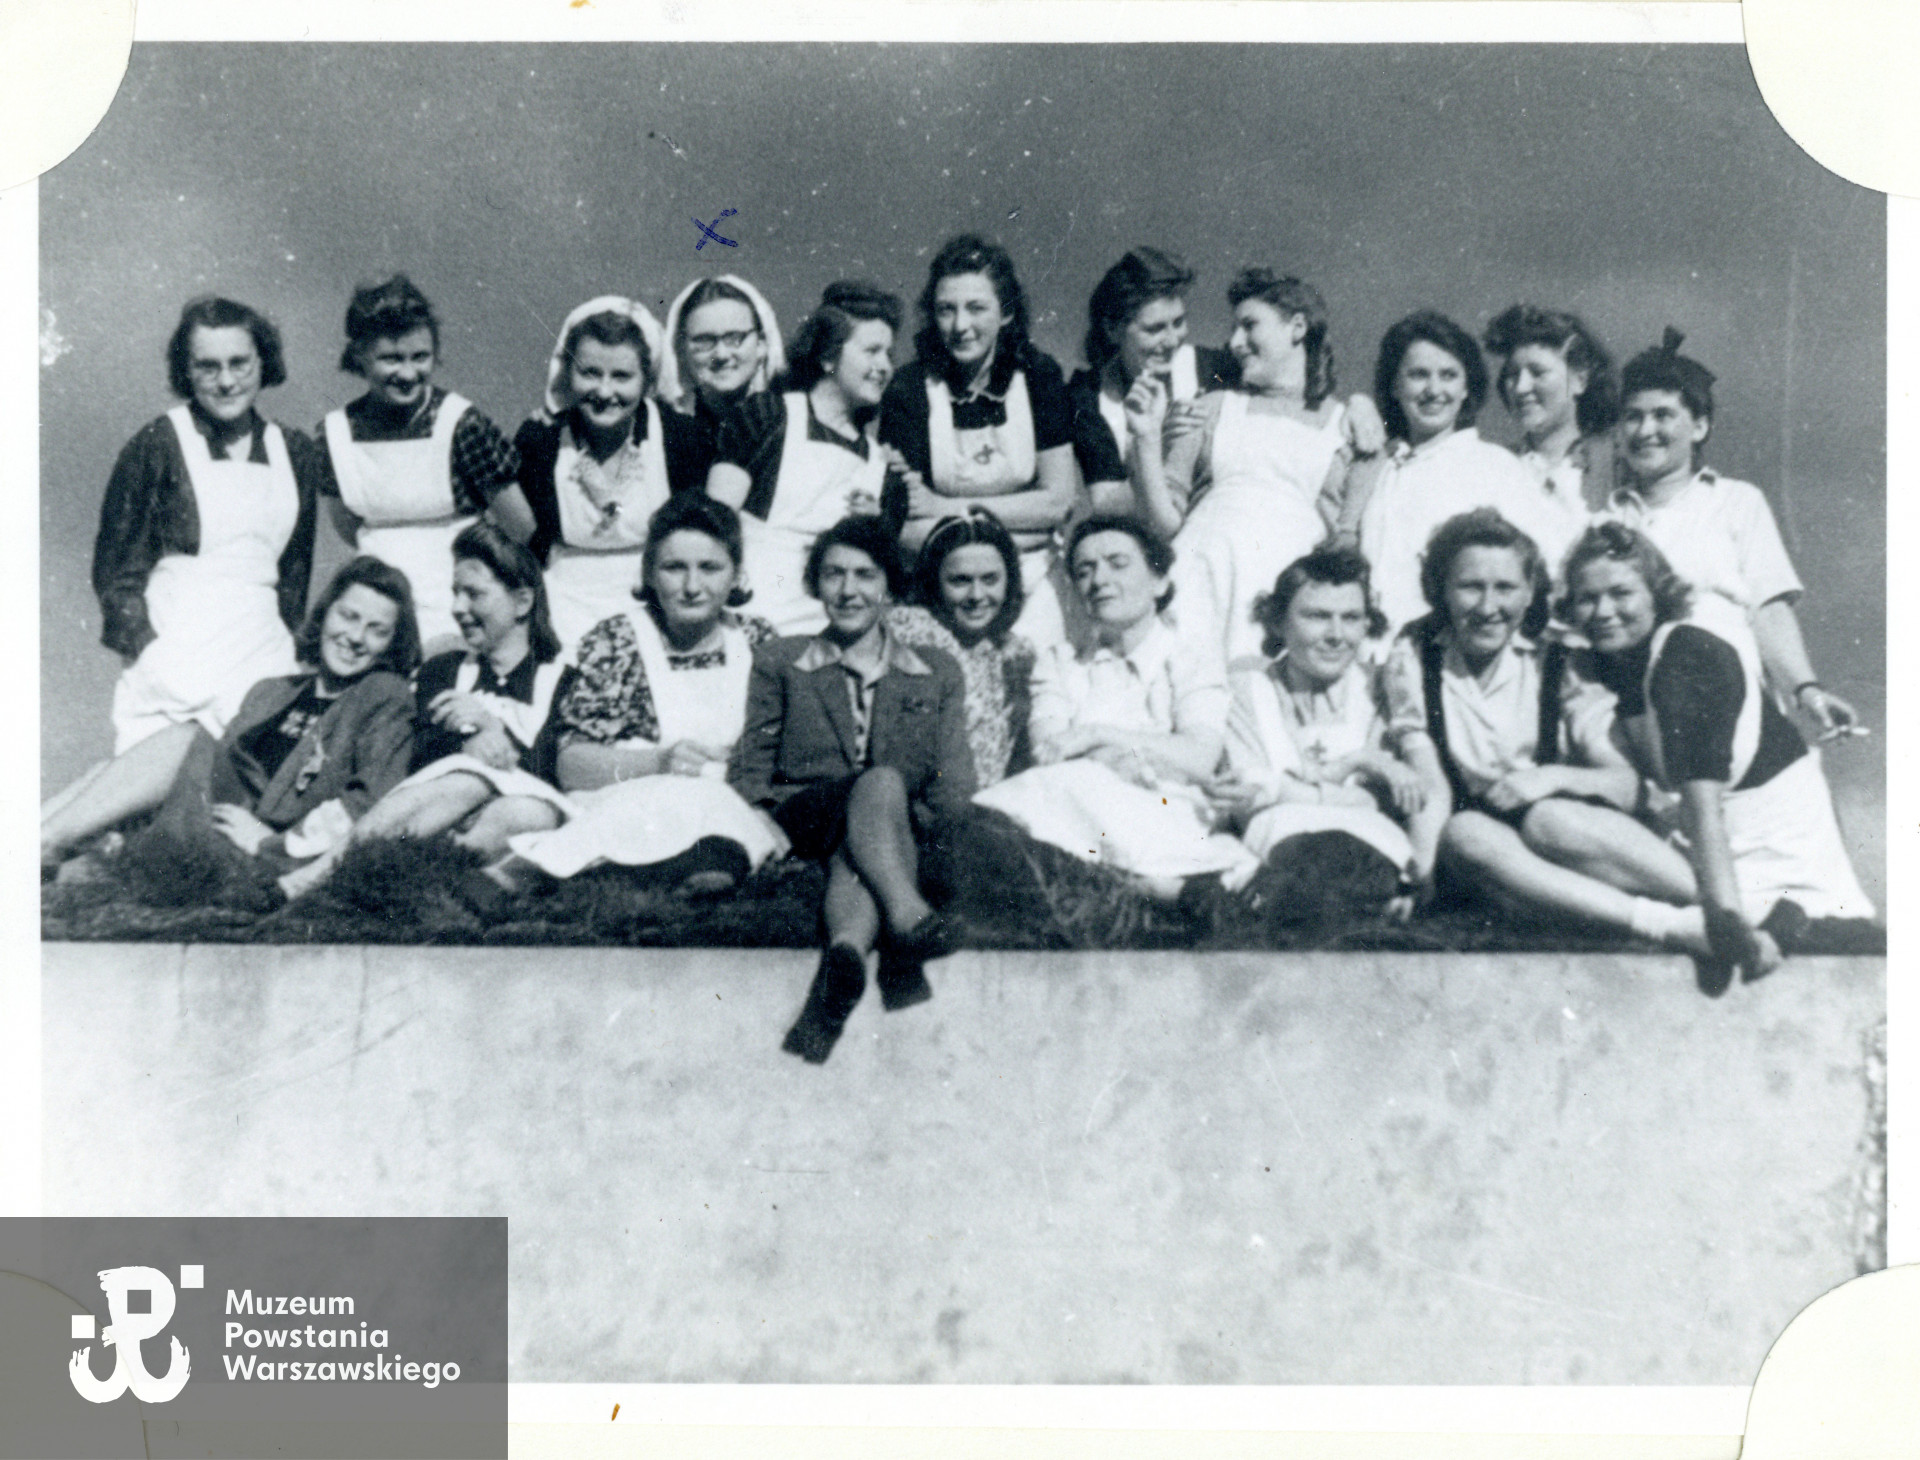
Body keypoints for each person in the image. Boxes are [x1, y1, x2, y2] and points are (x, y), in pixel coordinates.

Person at [44, 297, 326, 871]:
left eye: (239, 363)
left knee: (201, 809)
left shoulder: (294, 451)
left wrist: (289, 650)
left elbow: (294, 569)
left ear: (262, 362)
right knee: (149, 787)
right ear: (186, 370)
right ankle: (43, 840)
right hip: (180, 637)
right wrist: (150, 650)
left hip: (260, 647)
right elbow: (116, 571)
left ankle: (44, 839)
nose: (226, 382)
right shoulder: (157, 443)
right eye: (207, 367)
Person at [1382, 509, 1711, 957]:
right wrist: (1418, 870)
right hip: (1497, 865)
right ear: (1441, 588)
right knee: (1464, 832)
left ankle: (1722, 907)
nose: (1487, 607)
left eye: (1505, 588)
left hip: (1573, 849)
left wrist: (1549, 779)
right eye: (1470, 586)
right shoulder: (1414, 659)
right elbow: (1430, 781)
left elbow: (1625, 783)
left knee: (1548, 819)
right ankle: (1662, 925)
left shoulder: (1559, 662)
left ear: (1531, 591)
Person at [1563, 522, 1875, 993]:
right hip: (1726, 856)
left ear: (1657, 592)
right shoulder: (1624, 665)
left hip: (1777, 863)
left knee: (1553, 828)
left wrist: (1726, 920)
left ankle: (1753, 914)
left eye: (1620, 593)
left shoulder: (1685, 658)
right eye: (1587, 598)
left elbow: (1702, 810)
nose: (1603, 611)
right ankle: (1737, 912)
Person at [730, 516, 974, 1064]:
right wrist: (764, 819)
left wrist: (927, 827)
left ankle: (842, 959)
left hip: (886, 831)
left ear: (889, 586)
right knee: (880, 782)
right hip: (808, 813)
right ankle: (910, 918)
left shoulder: (935, 670)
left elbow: (955, 780)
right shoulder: (780, 661)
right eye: (834, 574)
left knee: (862, 845)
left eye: (865, 575)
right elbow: (750, 767)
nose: (848, 590)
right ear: (816, 584)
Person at [498, 494, 783, 895]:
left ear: (736, 574)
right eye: (674, 568)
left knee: (720, 817)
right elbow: (571, 766)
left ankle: (580, 873)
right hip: (632, 802)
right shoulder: (618, 641)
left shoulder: (758, 641)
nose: (691, 587)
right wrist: (660, 761)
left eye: (710, 568)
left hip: (727, 806)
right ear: (649, 572)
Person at [275, 522, 570, 900]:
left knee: (529, 812)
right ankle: (324, 877)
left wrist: (491, 727)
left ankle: (379, 883)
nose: (457, 608)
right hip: (433, 817)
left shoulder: (563, 682)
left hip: (507, 834)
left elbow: (557, 775)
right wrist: (471, 749)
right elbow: (416, 761)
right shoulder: (442, 671)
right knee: (471, 782)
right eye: (455, 593)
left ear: (523, 602)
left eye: (474, 594)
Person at [972, 515, 1258, 899]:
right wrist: (1134, 758)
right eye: (1085, 570)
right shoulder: (1060, 662)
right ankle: (1160, 891)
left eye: (1117, 563)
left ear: (1159, 581)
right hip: (1079, 813)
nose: (1100, 579)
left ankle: (1160, 888)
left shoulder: (1192, 656)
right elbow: (1049, 753)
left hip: (1168, 814)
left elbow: (1199, 757)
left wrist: (1095, 735)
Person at [1595, 328, 1859, 737]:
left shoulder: (1736, 502)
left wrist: (1808, 690)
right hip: (1641, 719)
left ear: (1699, 427)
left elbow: (1768, 611)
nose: (1645, 430)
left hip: (1732, 712)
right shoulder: (1604, 521)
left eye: (1663, 415)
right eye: (1633, 416)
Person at [118, 556, 422, 894]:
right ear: (324, 614)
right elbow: (218, 769)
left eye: (376, 630)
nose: (355, 637)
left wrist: (272, 843)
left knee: (186, 739)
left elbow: (369, 804)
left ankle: (53, 841)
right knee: (143, 761)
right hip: (208, 824)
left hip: (273, 862)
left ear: (393, 643)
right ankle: (52, 837)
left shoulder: (383, 696)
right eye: (348, 616)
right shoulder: (271, 692)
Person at [1123, 270, 1382, 661]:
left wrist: (1363, 405)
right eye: (1234, 330)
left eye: (1249, 326)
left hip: (1282, 605)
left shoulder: (1347, 426)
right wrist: (1145, 438)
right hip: (1200, 586)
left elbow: (1346, 542)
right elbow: (1165, 524)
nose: (1235, 343)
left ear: (1297, 327)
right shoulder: (1210, 407)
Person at [879, 234, 1080, 648]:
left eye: (976, 308)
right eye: (946, 310)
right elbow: (905, 527)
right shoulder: (911, 388)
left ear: (1006, 312)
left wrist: (947, 509)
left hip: (1035, 576)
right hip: (946, 580)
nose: (960, 326)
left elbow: (1060, 500)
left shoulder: (1039, 377)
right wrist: (1025, 522)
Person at [1336, 310, 1582, 637]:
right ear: (1394, 385)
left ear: (1467, 387)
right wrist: (1357, 402)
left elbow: (1550, 566)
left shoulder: (1495, 466)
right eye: (1419, 375)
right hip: (1368, 658)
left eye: (1449, 375)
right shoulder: (1376, 467)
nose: (1434, 389)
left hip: (1450, 661)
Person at [314, 274, 519, 645]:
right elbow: (349, 527)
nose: (408, 374)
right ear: (360, 355)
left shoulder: (463, 425)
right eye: (391, 359)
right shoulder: (333, 435)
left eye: (420, 357)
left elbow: (519, 527)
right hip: (377, 615)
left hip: (459, 612)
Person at [1214, 546, 1421, 908]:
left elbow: (1383, 801)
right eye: (1317, 616)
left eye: (1352, 618)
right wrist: (1357, 764)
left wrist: (1279, 787)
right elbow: (1246, 796)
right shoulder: (1248, 687)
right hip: (1282, 839)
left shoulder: (1381, 688)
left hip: (1372, 842)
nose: (1336, 635)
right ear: (1278, 621)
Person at [706, 281, 901, 637]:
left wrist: (871, 530)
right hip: (747, 624)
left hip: (831, 639)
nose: (885, 366)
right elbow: (711, 525)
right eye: (872, 350)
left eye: (889, 354)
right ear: (828, 355)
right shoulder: (768, 418)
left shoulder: (878, 464)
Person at [494, 296, 674, 653]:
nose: (605, 392)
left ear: (647, 380)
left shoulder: (679, 437)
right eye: (589, 373)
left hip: (657, 600)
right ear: (567, 373)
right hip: (566, 608)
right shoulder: (540, 440)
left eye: (621, 376)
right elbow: (530, 544)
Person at [1069, 246, 1239, 512]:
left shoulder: (1215, 368)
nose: (1172, 341)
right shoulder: (1089, 398)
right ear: (1113, 330)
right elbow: (1105, 505)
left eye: (1178, 322)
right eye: (1154, 329)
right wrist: (1157, 446)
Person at [886, 508, 1035, 788]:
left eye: (990, 580)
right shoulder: (912, 630)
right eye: (960, 581)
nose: (977, 596)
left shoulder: (1016, 652)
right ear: (934, 582)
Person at [1482, 303, 1621, 517]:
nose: (1521, 387)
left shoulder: (1615, 463)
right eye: (1512, 375)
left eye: (1538, 373)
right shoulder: (1495, 466)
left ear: (1580, 381)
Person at [653, 274, 787, 493]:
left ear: (762, 344)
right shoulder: (665, 432)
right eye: (704, 340)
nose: (721, 354)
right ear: (681, 349)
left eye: (735, 338)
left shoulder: (787, 423)